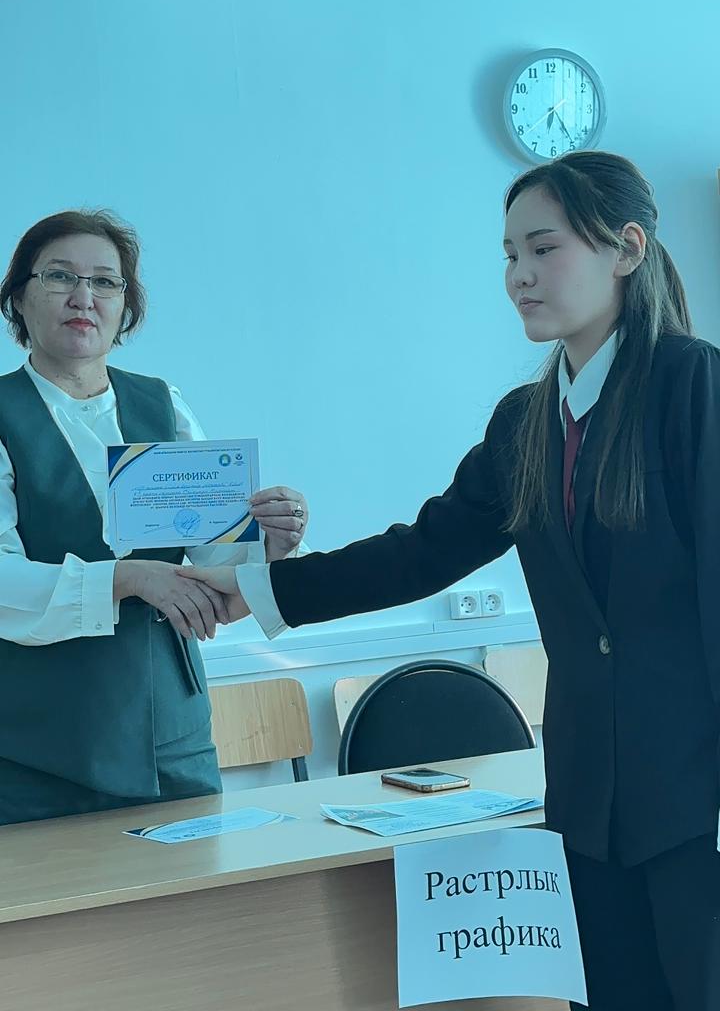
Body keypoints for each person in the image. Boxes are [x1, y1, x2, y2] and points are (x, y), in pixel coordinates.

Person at [180, 150, 720, 1011]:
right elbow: (422, 553)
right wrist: (263, 592)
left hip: (698, 803)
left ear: (626, 249)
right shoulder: (525, 423)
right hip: (591, 802)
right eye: (509, 255)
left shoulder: (695, 384)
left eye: (543, 249)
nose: (519, 275)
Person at [0, 209, 309, 824]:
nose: (84, 297)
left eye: (105, 282)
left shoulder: (163, 405)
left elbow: (219, 562)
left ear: (126, 307)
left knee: (196, 886)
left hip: (172, 729)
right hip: (36, 745)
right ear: (18, 298)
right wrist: (125, 577)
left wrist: (271, 544)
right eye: (60, 276)